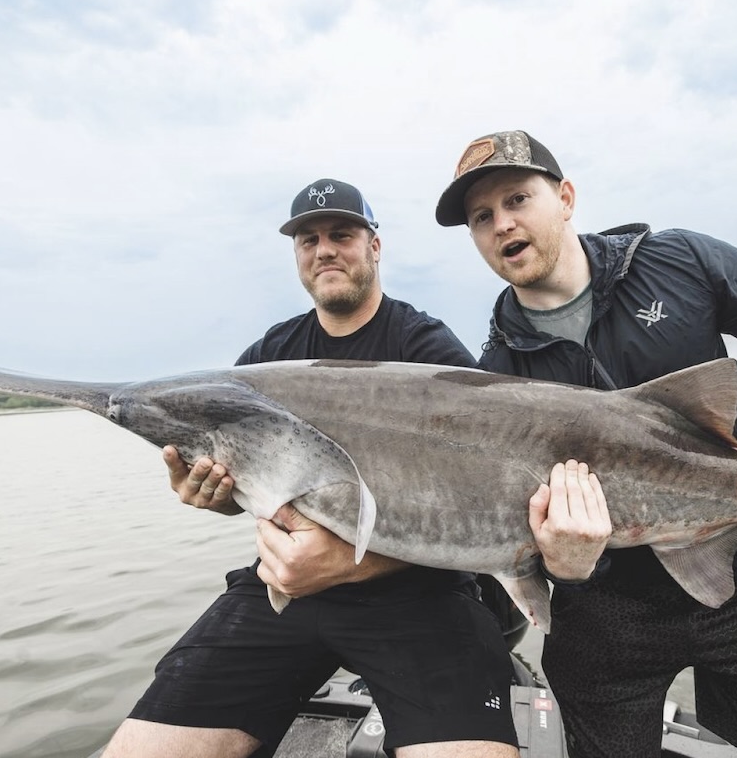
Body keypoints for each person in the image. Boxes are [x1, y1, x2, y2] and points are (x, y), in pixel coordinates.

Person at [434, 130, 737, 758]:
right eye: (481, 217)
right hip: (603, 615)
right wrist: (563, 566)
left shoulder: (678, 263)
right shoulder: (497, 374)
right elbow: (513, 528)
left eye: (517, 199)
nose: (502, 223)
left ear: (566, 197)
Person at [103, 179, 521, 758]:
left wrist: (352, 562)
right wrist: (213, 493)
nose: (324, 250)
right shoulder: (268, 357)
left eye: (341, 235)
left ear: (374, 247)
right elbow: (242, 489)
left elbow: (482, 496)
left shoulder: (427, 347)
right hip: (284, 588)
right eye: (309, 240)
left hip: (419, 594)